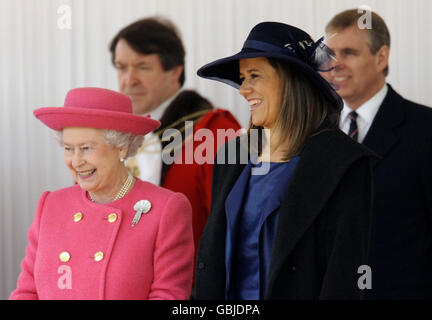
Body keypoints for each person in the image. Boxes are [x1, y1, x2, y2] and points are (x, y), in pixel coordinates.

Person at [194, 21, 376, 300]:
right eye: (243, 78)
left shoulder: (344, 165)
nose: (243, 90)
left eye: (255, 75)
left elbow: (343, 278)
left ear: (292, 80)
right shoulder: (231, 158)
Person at [9, 87, 194, 300]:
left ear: (121, 148)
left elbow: (168, 296)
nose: (76, 161)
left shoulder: (165, 209)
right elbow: (27, 291)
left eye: (86, 148)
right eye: (69, 149)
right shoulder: (51, 205)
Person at [109, 17, 241, 266]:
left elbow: (235, 231)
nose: (129, 79)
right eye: (121, 67)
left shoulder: (214, 132)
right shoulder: (111, 137)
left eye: (142, 67)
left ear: (175, 72)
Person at [325, 9, 432, 299]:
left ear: (381, 57)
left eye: (348, 53)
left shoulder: (424, 130)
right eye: (329, 54)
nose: (335, 65)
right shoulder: (315, 134)